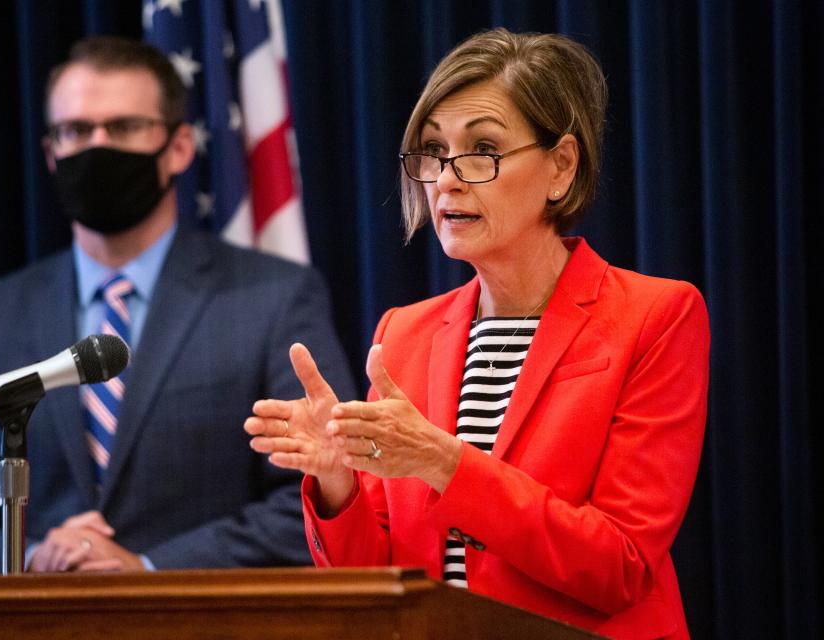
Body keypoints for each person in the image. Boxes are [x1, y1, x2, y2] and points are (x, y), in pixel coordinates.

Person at [245, 28, 708, 639]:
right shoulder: (404, 334)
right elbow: (377, 580)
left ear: (560, 167)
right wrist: (338, 481)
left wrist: (445, 463)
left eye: (482, 149)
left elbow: (616, 566)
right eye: (433, 152)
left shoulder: (656, 315)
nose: (445, 180)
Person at [0, 36, 354, 574]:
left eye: (123, 128)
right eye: (75, 131)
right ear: (51, 152)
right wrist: (28, 561)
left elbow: (321, 495)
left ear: (180, 147)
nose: (97, 147)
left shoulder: (274, 298)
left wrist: (146, 568)